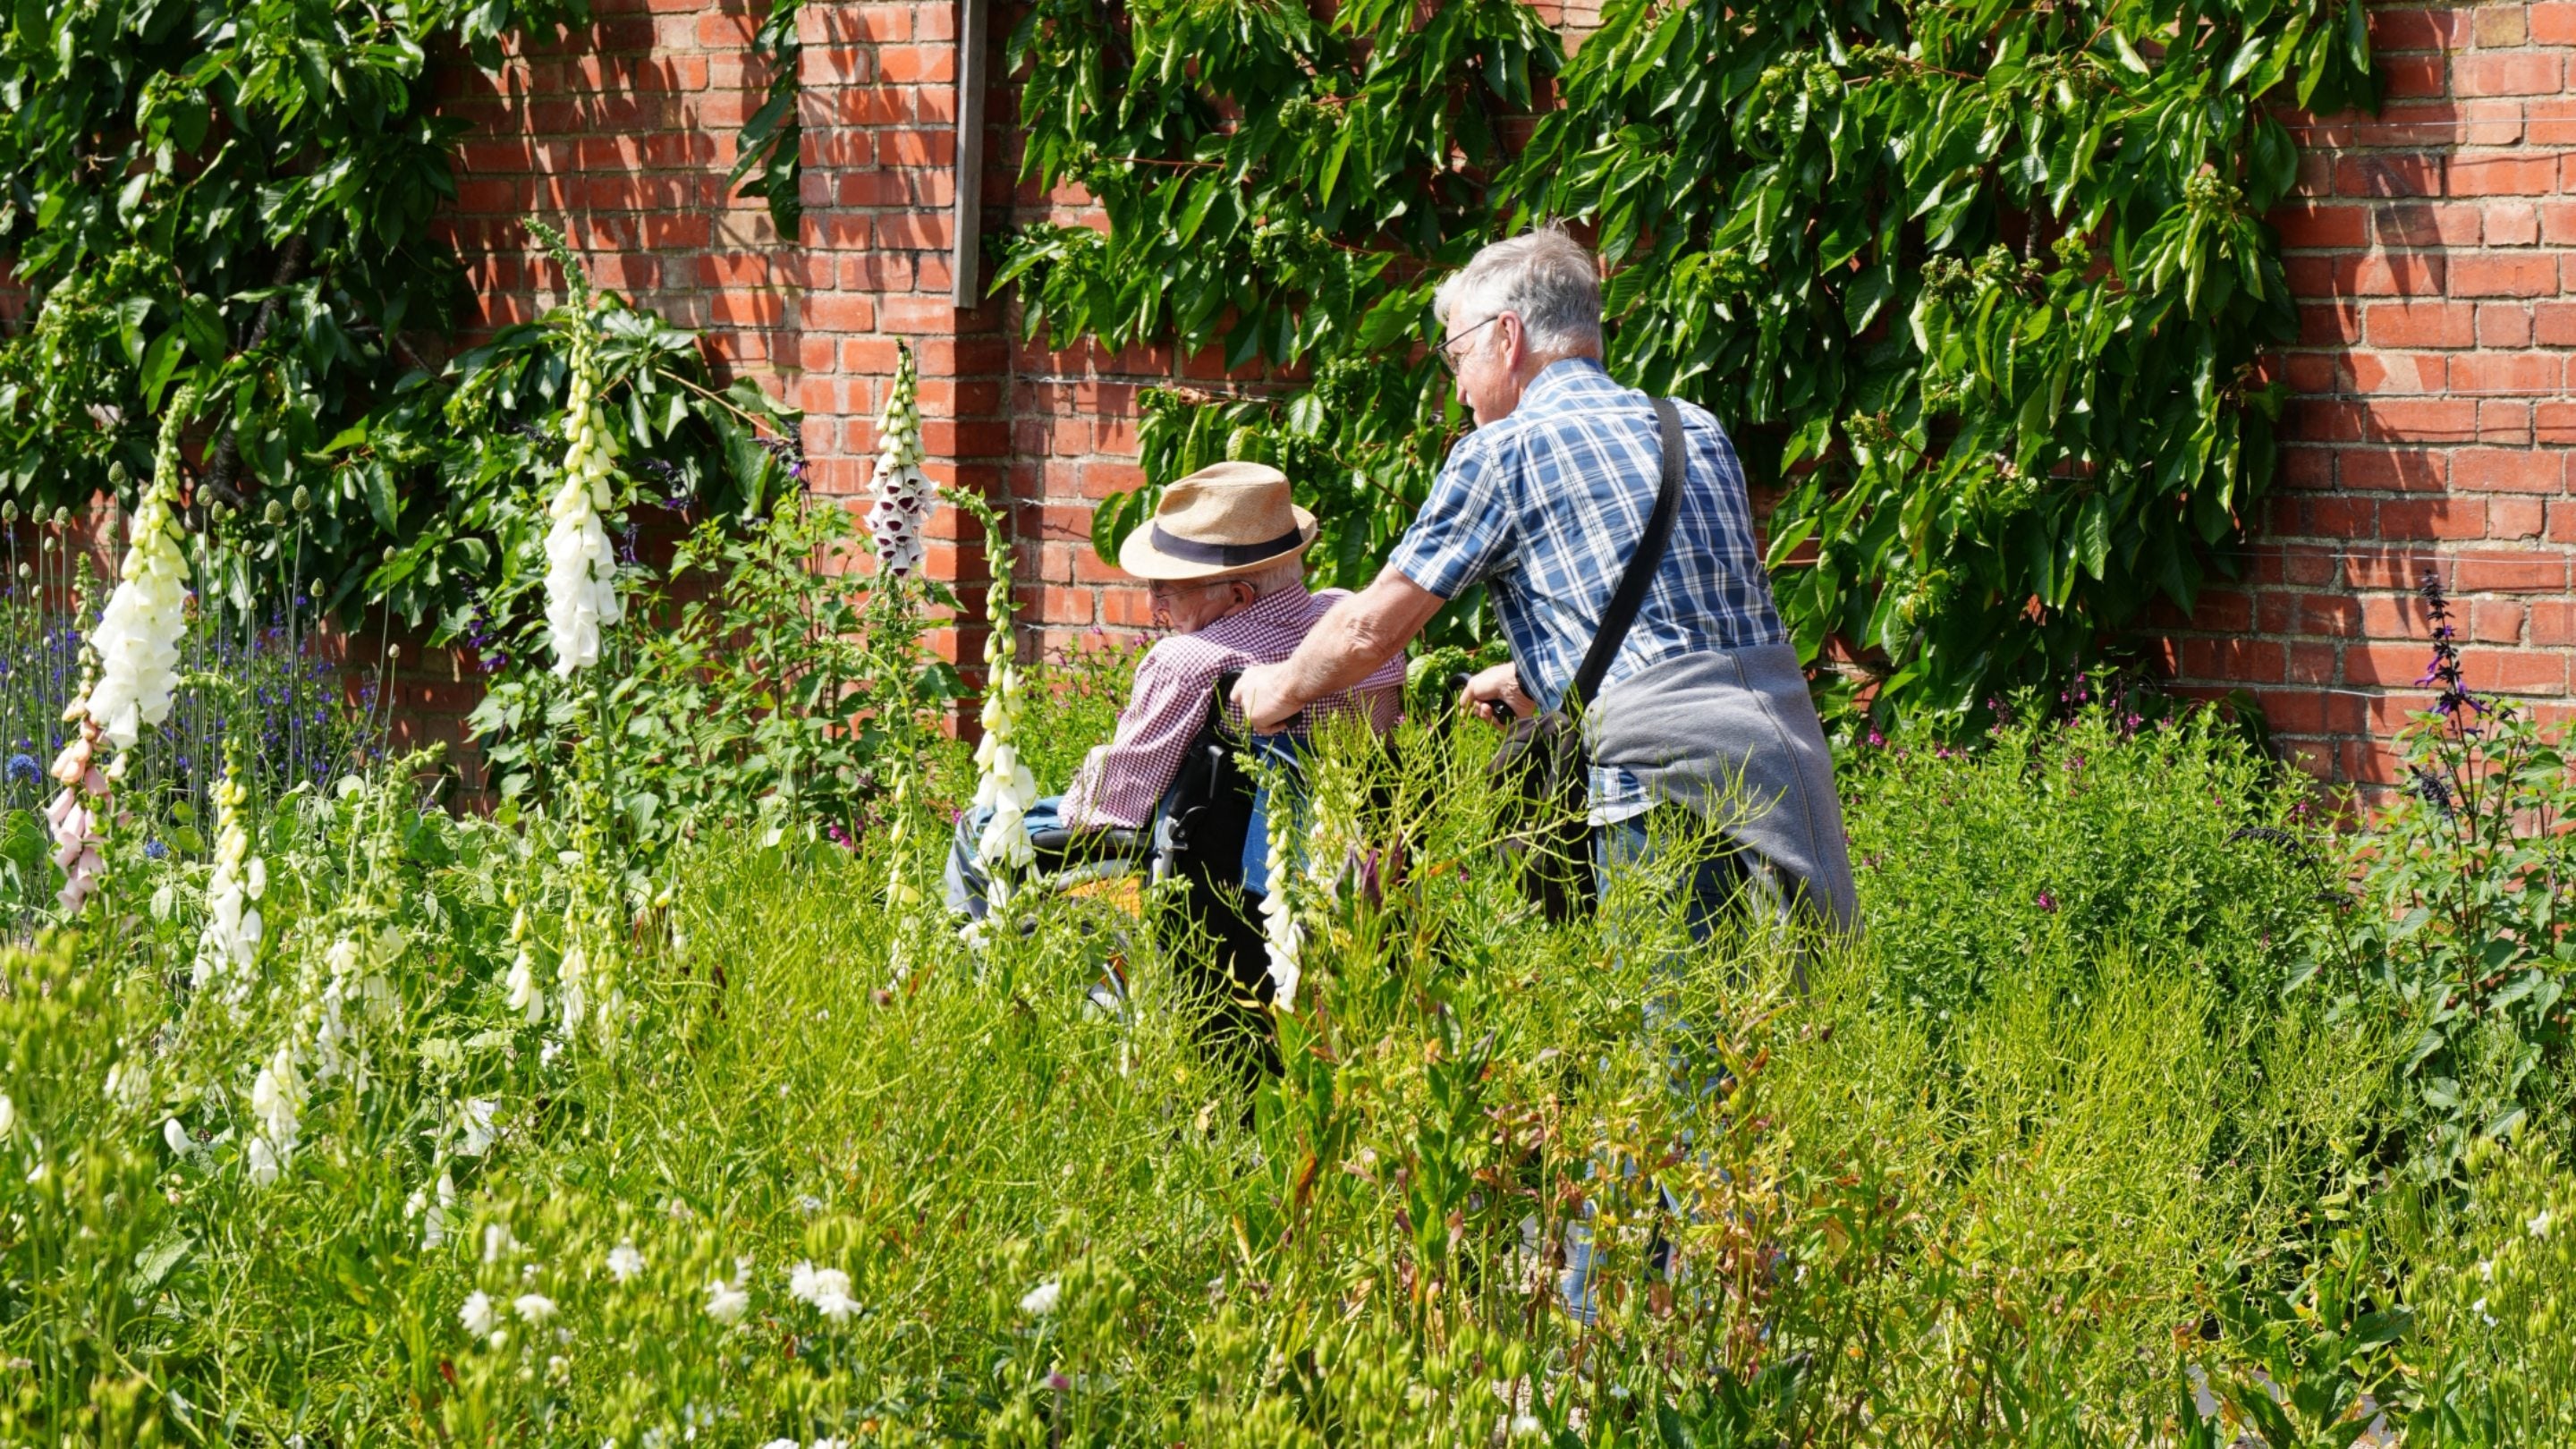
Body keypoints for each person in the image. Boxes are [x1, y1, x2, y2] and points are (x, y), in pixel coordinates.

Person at [1230, 225, 1857, 935]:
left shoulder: (1503, 452)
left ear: (1507, 336)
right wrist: (1541, 679)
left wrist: (1270, 690)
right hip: (1780, 758)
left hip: (1660, 780)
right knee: (1800, 1014)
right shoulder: (1693, 426)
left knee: (1676, 1033)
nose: (1459, 385)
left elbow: (1371, 630)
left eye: (1458, 355)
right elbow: (1693, 610)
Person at [944, 461, 1405, 919]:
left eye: (1165, 589)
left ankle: (969, 964)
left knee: (980, 830)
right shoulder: (1354, 628)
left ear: (1239, 596)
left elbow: (1113, 804)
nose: (1151, 605)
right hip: (1347, 858)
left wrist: (1068, 801)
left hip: (1215, 881)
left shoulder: (1191, 662)